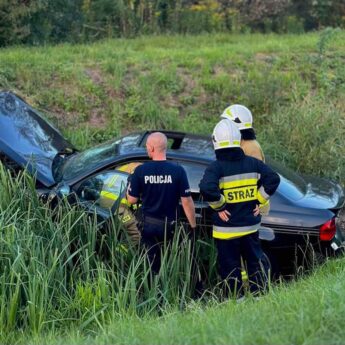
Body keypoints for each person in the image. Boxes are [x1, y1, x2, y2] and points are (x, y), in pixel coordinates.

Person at [199, 119, 280, 299]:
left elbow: (206, 188)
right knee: (254, 263)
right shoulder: (253, 163)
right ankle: (258, 296)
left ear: (216, 142)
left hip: (227, 231)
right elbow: (273, 179)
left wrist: (220, 206)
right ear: (238, 140)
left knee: (230, 267)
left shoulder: (216, 168)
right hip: (250, 227)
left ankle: (235, 300)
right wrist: (259, 200)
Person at [126, 132, 196, 273]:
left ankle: (154, 290)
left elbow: (131, 200)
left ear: (151, 148)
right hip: (170, 226)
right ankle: (171, 285)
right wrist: (193, 226)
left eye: (147, 147)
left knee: (152, 264)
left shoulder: (140, 171)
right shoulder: (178, 170)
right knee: (171, 259)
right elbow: (187, 201)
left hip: (148, 226)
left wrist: (128, 187)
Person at [221, 104, 270, 215]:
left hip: (251, 207)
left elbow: (259, 178)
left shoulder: (250, 147)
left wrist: (258, 203)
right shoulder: (239, 144)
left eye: (227, 123)